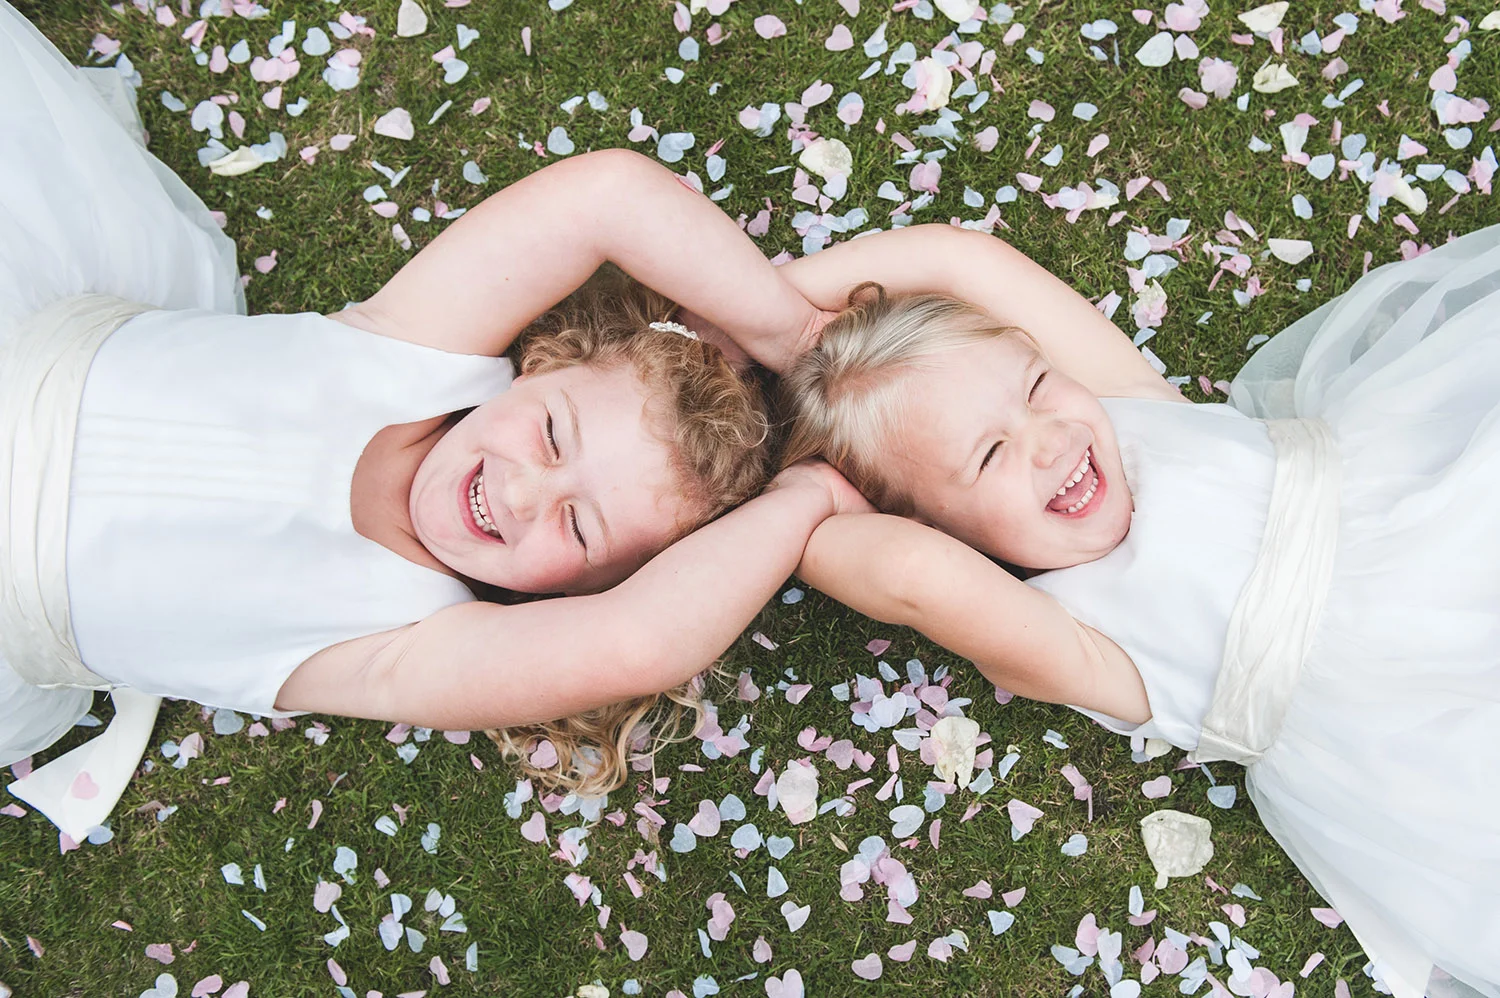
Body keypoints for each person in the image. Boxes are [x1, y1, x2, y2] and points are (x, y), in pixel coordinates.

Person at [0, 2, 859, 841]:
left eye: (579, 525)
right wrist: (797, 339)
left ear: (579, 592)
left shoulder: (404, 643)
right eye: (554, 434)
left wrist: (807, 497)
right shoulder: (408, 352)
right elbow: (607, 195)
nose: (522, 491)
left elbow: (642, 641)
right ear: (544, 366)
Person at [774, 222, 1500, 998]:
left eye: (1036, 386)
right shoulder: (1072, 637)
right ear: (928, 526)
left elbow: (957, 258)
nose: (1049, 441)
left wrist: (768, 313)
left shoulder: (1133, 408)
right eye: (988, 456)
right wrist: (799, 489)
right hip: (1401, 715)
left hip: (1433, 510)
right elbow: (905, 570)